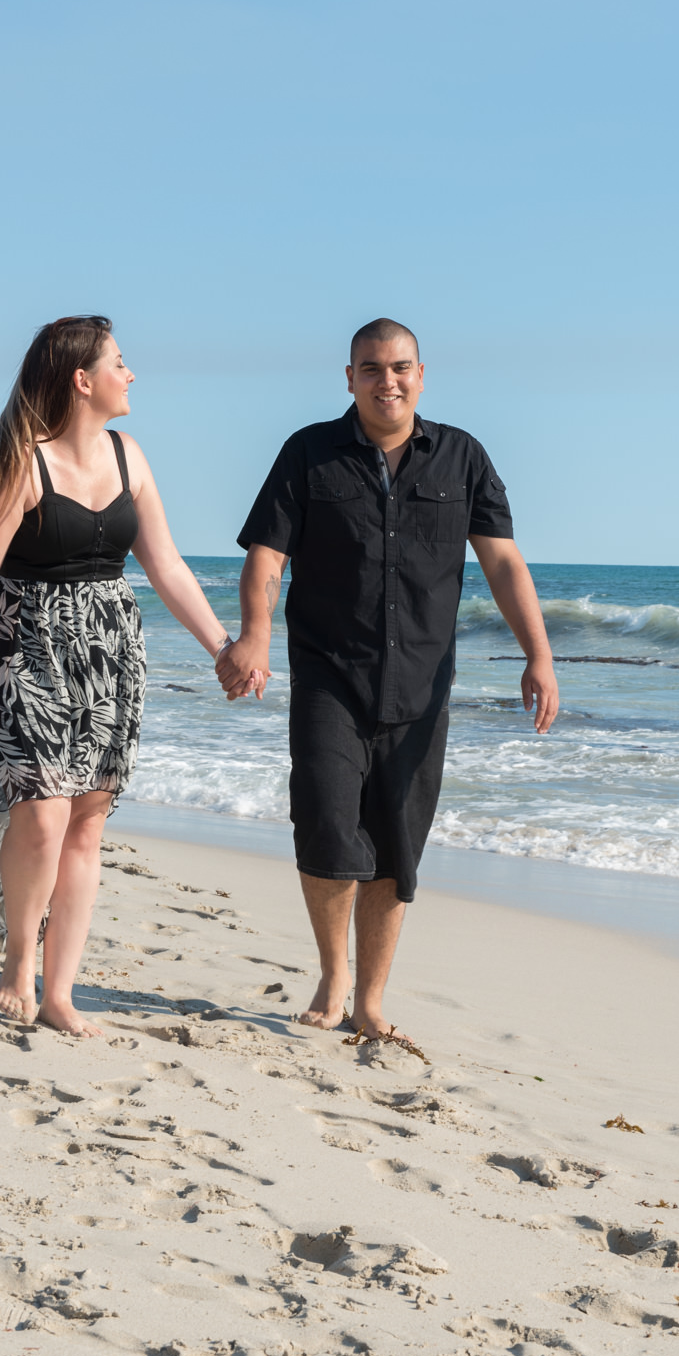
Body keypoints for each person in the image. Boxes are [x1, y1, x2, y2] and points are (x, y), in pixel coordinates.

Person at [0, 315, 256, 1035]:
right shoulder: (20, 463)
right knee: (41, 815)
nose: (131, 375)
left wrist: (222, 643)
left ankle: (60, 990)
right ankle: (16, 965)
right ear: (81, 379)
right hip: (24, 653)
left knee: (87, 823)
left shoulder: (131, 457)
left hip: (108, 655)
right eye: (119, 363)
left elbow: (164, 565)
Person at [216, 317, 558, 1049]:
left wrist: (539, 654)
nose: (387, 381)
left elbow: (502, 562)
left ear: (422, 375)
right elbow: (267, 557)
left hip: (423, 688)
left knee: (397, 845)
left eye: (399, 367)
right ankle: (333, 976)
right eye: (370, 369)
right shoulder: (307, 454)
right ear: (349, 379)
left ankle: (370, 999)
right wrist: (253, 633)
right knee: (329, 824)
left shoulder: (462, 458)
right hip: (328, 678)